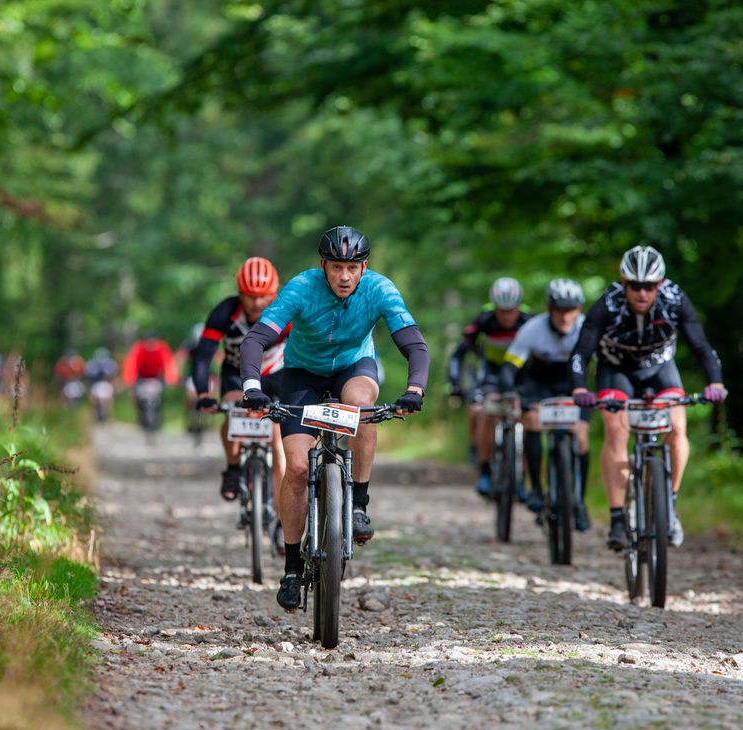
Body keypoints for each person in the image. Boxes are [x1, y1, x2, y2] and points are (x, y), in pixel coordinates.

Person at [238, 226, 430, 612]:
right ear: (323, 266)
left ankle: (358, 503)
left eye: (353, 268)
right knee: (294, 468)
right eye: (337, 267)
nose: (344, 276)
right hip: (302, 374)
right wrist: (252, 387)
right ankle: (292, 568)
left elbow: (413, 344)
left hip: (353, 367)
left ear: (365, 268)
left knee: (361, 406)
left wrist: (414, 391)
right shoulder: (302, 288)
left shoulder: (380, 289)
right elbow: (256, 339)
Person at [570, 245, 727, 551]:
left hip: (659, 368)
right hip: (616, 369)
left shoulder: (675, 299)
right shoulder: (608, 303)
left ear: (660, 283)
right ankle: (617, 519)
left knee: (677, 427)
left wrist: (715, 382)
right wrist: (579, 388)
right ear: (623, 282)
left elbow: (701, 346)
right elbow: (581, 351)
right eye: (635, 286)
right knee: (616, 431)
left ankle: (669, 504)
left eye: (649, 286)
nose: (642, 293)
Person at [193, 257, 290, 508]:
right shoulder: (225, 312)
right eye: (250, 296)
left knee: (279, 445)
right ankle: (233, 468)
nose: (257, 303)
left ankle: (283, 517)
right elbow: (203, 355)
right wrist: (204, 393)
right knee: (233, 410)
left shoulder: (286, 311)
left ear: (273, 294)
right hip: (237, 373)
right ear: (240, 294)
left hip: (275, 374)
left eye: (263, 296)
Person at [499, 279, 591, 528]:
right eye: (559, 309)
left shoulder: (587, 328)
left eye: (570, 309)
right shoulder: (533, 329)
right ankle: (537, 489)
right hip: (538, 383)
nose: (565, 316)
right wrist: (511, 392)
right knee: (532, 420)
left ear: (579, 310)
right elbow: (509, 366)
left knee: (581, 437)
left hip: (574, 383)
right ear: (549, 309)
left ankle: (579, 502)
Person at [448, 277, 532, 496]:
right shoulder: (483, 320)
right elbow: (459, 354)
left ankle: (521, 477)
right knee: (488, 411)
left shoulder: (528, 321)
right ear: (494, 307)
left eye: (511, 311)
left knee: (525, 416)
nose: (506, 316)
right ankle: (485, 470)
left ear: (518, 307)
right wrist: (455, 384)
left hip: (520, 373)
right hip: (492, 373)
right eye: (501, 311)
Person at [122, 332, 178, 431]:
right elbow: (132, 365)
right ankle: (141, 420)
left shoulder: (161, 348)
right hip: (141, 378)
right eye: (148, 343)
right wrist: (130, 380)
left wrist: (171, 378)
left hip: (156, 377)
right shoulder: (138, 348)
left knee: (159, 398)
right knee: (138, 398)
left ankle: (158, 421)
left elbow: (168, 363)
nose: (151, 345)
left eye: (153, 343)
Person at [85, 347, 119, 422]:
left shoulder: (111, 364)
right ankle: (95, 413)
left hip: (105, 384)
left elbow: (113, 377)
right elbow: (89, 378)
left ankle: (108, 414)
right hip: (96, 384)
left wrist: (115, 385)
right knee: (94, 399)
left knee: (109, 399)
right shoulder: (92, 365)